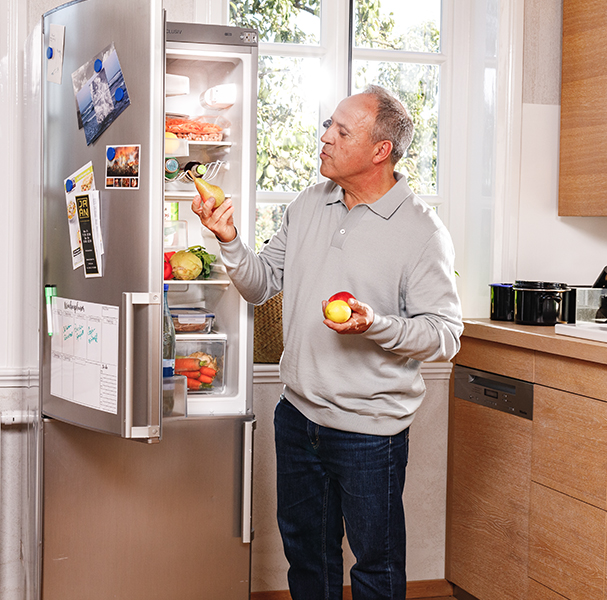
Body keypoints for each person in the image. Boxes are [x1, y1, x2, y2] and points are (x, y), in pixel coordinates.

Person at [191, 84, 463, 600]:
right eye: (327, 125)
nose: (325, 137)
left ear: (380, 150)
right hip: (298, 418)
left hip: (370, 433)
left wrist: (374, 325)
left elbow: (445, 335)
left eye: (341, 130)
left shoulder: (422, 232)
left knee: (375, 568)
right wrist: (228, 241)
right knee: (307, 559)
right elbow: (261, 283)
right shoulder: (308, 204)